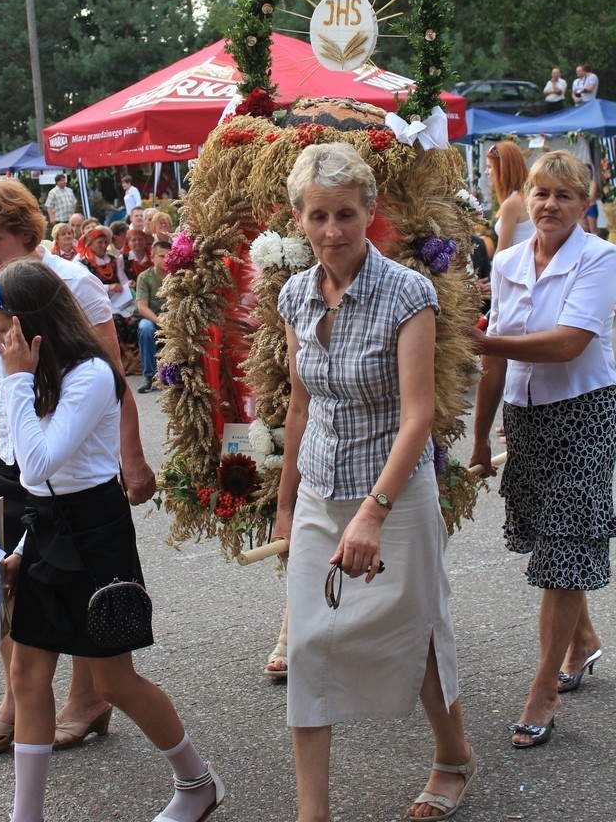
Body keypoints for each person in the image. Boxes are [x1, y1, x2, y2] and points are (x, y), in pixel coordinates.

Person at [272, 143, 477, 822]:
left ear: (371, 212)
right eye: (319, 216)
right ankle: (312, 812)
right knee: (305, 643)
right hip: (320, 491)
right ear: (299, 218)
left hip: (394, 493)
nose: (333, 231)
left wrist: (374, 513)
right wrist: (284, 505)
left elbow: (419, 415)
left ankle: (452, 757)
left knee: (414, 631)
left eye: (347, 215)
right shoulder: (295, 294)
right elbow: (300, 406)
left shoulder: (407, 293)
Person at [0, 177, 155, 755]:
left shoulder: (75, 281)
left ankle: (87, 700)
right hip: (13, 459)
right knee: (11, 595)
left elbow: (110, 378)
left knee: (76, 587)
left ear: (28, 234)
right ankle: (18, 698)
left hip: (69, 460)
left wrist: (132, 458)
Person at [0, 259, 224, 822]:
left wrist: (17, 377)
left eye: (4, 331)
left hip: (95, 530)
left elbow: (37, 461)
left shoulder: (92, 375)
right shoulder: (32, 372)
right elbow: (25, 466)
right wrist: (21, 546)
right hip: (46, 525)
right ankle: (27, 816)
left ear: (32, 327)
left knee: (115, 680)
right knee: (26, 674)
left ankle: (197, 782)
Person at [470, 150, 616, 749]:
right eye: (540, 194)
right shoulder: (506, 261)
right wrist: (478, 436)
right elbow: (495, 358)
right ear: (525, 200)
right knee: (551, 535)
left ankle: (543, 692)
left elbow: (568, 345)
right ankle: (582, 643)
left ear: (585, 205)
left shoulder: (602, 258)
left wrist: (484, 337)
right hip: (527, 417)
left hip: (585, 412)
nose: (550, 205)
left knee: (563, 546)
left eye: (563, 195)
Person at [135, 240, 171, 394]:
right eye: (161, 256)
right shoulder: (145, 277)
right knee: (145, 329)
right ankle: (149, 377)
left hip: (173, 318)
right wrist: (160, 322)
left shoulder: (177, 276)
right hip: (152, 318)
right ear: (152, 257)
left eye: (168, 256)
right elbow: (142, 307)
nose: (165, 259)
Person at [486, 141, 535, 251]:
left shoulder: (512, 203)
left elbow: (502, 253)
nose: (486, 172)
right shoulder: (524, 196)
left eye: (489, 167)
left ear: (502, 169)